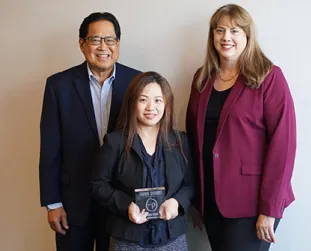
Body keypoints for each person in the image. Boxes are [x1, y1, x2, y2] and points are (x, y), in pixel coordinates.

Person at [186, 4, 296, 251]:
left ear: (247, 35)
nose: (226, 37)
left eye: (235, 30)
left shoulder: (269, 77)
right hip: (211, 199)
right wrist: (194, 197)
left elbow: (283, 147)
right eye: (220, 30)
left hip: (252, 203)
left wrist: (270, 209)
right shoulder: (202, 78)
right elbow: (193, 140)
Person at [39, 12, 141, 251]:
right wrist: (53, 203)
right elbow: (50, 149)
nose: (103, 47)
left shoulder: (137, 82)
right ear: (82, 44)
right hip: (74, 203)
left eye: (110, 40)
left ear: (118, 44)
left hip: (122, 201)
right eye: (95, 40)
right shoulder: (58, 86)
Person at [90, 71, 194, 251]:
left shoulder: (180, 141)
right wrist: (126, 205)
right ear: (132, 103)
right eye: (143, 100)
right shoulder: (115, 142)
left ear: (166, 104)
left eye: (158, 100)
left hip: (172, 237)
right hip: (127, 239)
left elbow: (191, 184)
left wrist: (177, 202)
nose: (150, 107)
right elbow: (98, 184)